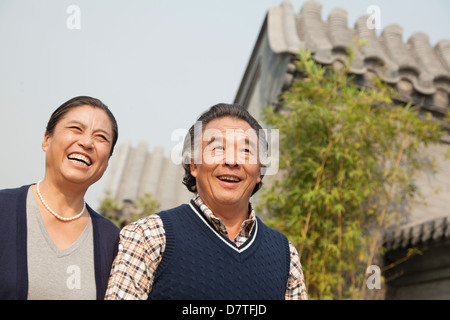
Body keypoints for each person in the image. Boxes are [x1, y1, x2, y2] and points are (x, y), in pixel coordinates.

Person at [105, 103, 308, 300]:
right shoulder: (149, 236)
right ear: (194, 164)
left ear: (259, 171)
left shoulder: (285, 256)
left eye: (246, 151)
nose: (232, 161)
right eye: (218, 148)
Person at [0, 96, 120, 300]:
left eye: (101, 138)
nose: (87, 142)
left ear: (107, 161)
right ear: (47, 139)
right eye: (76, 129)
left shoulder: (112, 241)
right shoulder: (4, 209)